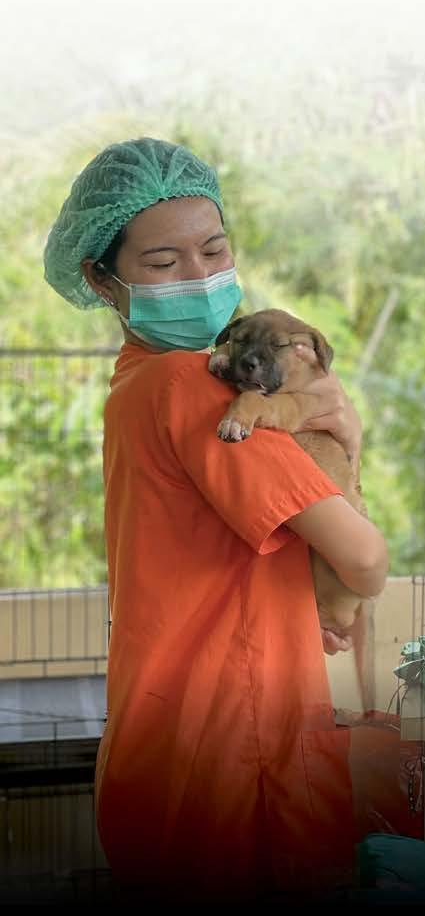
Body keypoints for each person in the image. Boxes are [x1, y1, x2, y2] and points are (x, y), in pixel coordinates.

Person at [42, 138, 389, 898]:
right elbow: (363, 558)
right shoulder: (191, 388)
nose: (198, 276)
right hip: (235, 750)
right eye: (163, 262)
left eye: (213, 249)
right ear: (100, 278)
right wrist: (349, 442)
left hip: (165, 733)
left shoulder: (133, 382)